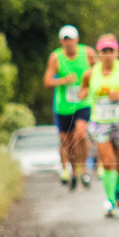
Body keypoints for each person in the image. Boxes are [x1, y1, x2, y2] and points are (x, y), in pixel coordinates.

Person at [79, 34, 119, 218]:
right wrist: (83, 93)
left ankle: (116, 188)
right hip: (100, 122)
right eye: (104, 51)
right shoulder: (90, 73)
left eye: (111, 51)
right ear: (98, 53)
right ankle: (109, 201)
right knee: (108, 163)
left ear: (116, 52)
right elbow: (83, 89)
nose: (107, 54)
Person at [43, 25, 97, 189]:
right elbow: (47, 81)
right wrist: (63, 80)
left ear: (77, 40)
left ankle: (84, 170)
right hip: (63, 106)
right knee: (68, 142)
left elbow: (99, 70)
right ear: (61, 42)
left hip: (83, 102)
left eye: (71, 40)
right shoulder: (56, 57)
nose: (69, 43)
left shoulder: (87, 53)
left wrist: (88, 86)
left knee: (81, 134)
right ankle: (74, 172)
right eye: (65, 40)